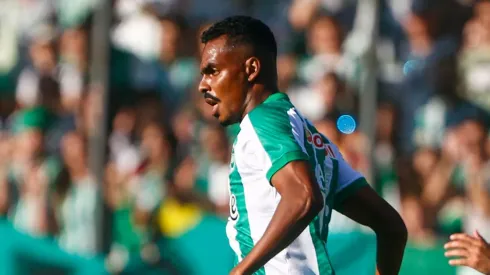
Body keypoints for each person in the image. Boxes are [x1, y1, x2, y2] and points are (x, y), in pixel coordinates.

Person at [198, 16, 407, 275]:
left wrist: (240, 272)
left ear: (251, 69)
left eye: (213, 71)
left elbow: (304, 196)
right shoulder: (314, 139)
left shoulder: (261, 122)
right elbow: (391, 227)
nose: (203, 85)